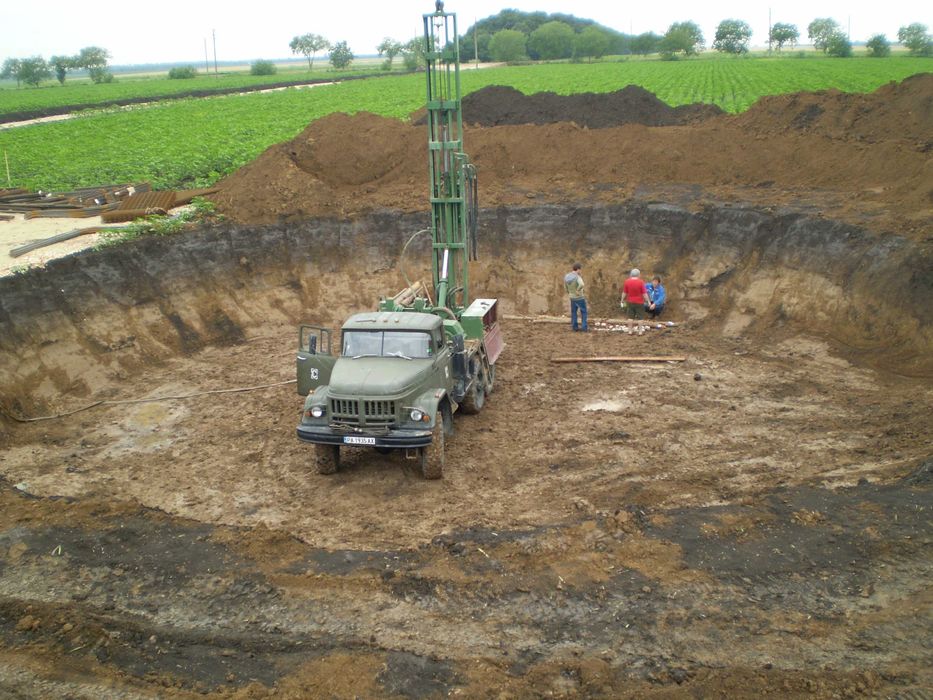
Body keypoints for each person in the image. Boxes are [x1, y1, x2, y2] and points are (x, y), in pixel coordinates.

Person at [564, 262, 588, 332]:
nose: (580, 271)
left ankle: (574, 327)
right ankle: (584, 327)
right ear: (578, 269)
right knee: (583, 311)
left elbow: (565, 287)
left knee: (574, 312)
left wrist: (569, 292)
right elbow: (581, 284)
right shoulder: (577, 277)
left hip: (572, 297)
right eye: (580, 270)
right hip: (579, 297)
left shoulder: (567, 276)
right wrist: (577, 290)